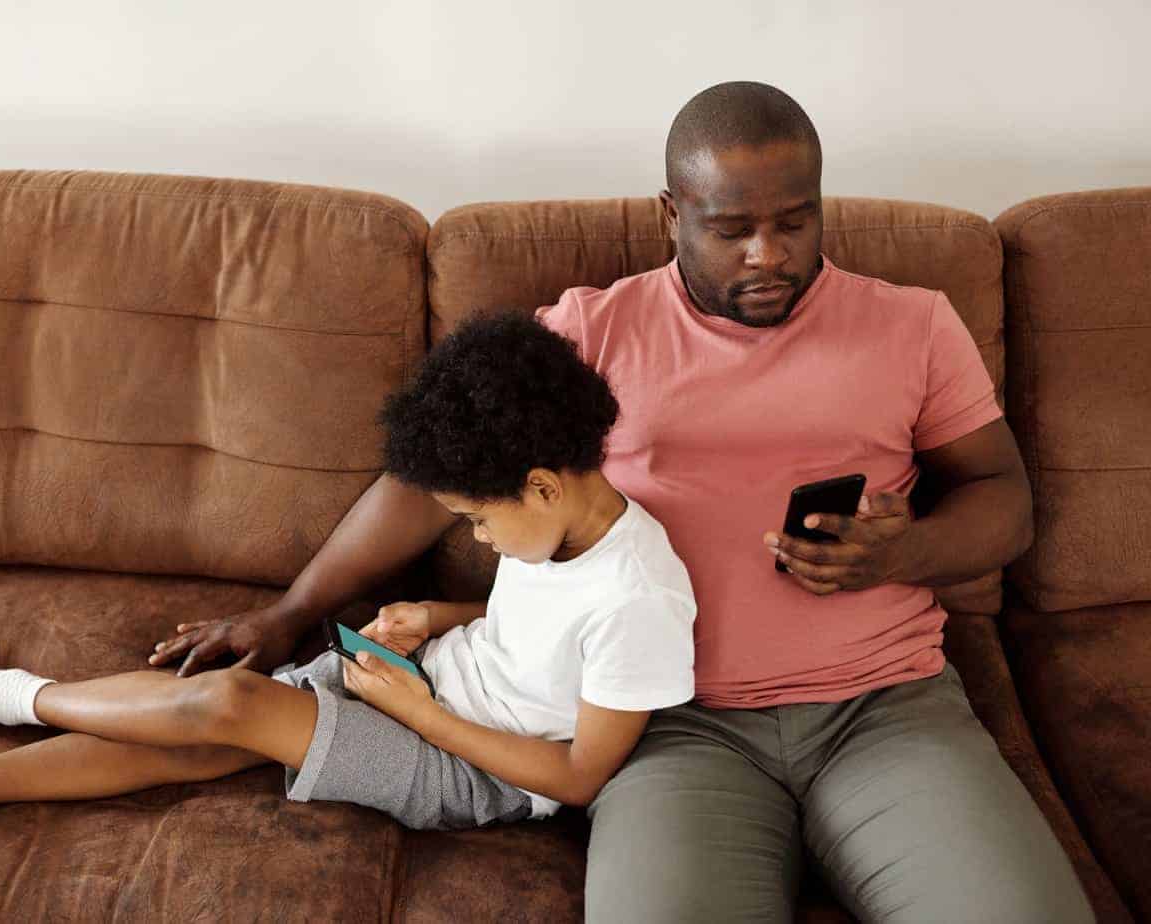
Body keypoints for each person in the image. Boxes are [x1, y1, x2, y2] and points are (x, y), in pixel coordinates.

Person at [146, 82, 1094, 922]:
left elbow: (1004, 500)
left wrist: (903, 552)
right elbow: (429, 483)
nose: (768, 254)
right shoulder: (594, 329)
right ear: (670, 212)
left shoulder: (913, 324)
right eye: (731, 230)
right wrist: (293, 612)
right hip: (668, 728)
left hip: (886, 709)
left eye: (796, 222)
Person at [0, 314, 696, 881]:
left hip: (476, 772)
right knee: (206, 736)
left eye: (475, 522)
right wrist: (446, 618)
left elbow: (581, 774)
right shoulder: (553, 522)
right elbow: (540, 630)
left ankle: (6, 702)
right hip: (425, 684)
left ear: (541, 485)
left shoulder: (642, 596)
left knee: (226, 702)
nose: (476, 541)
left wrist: (421, 711)